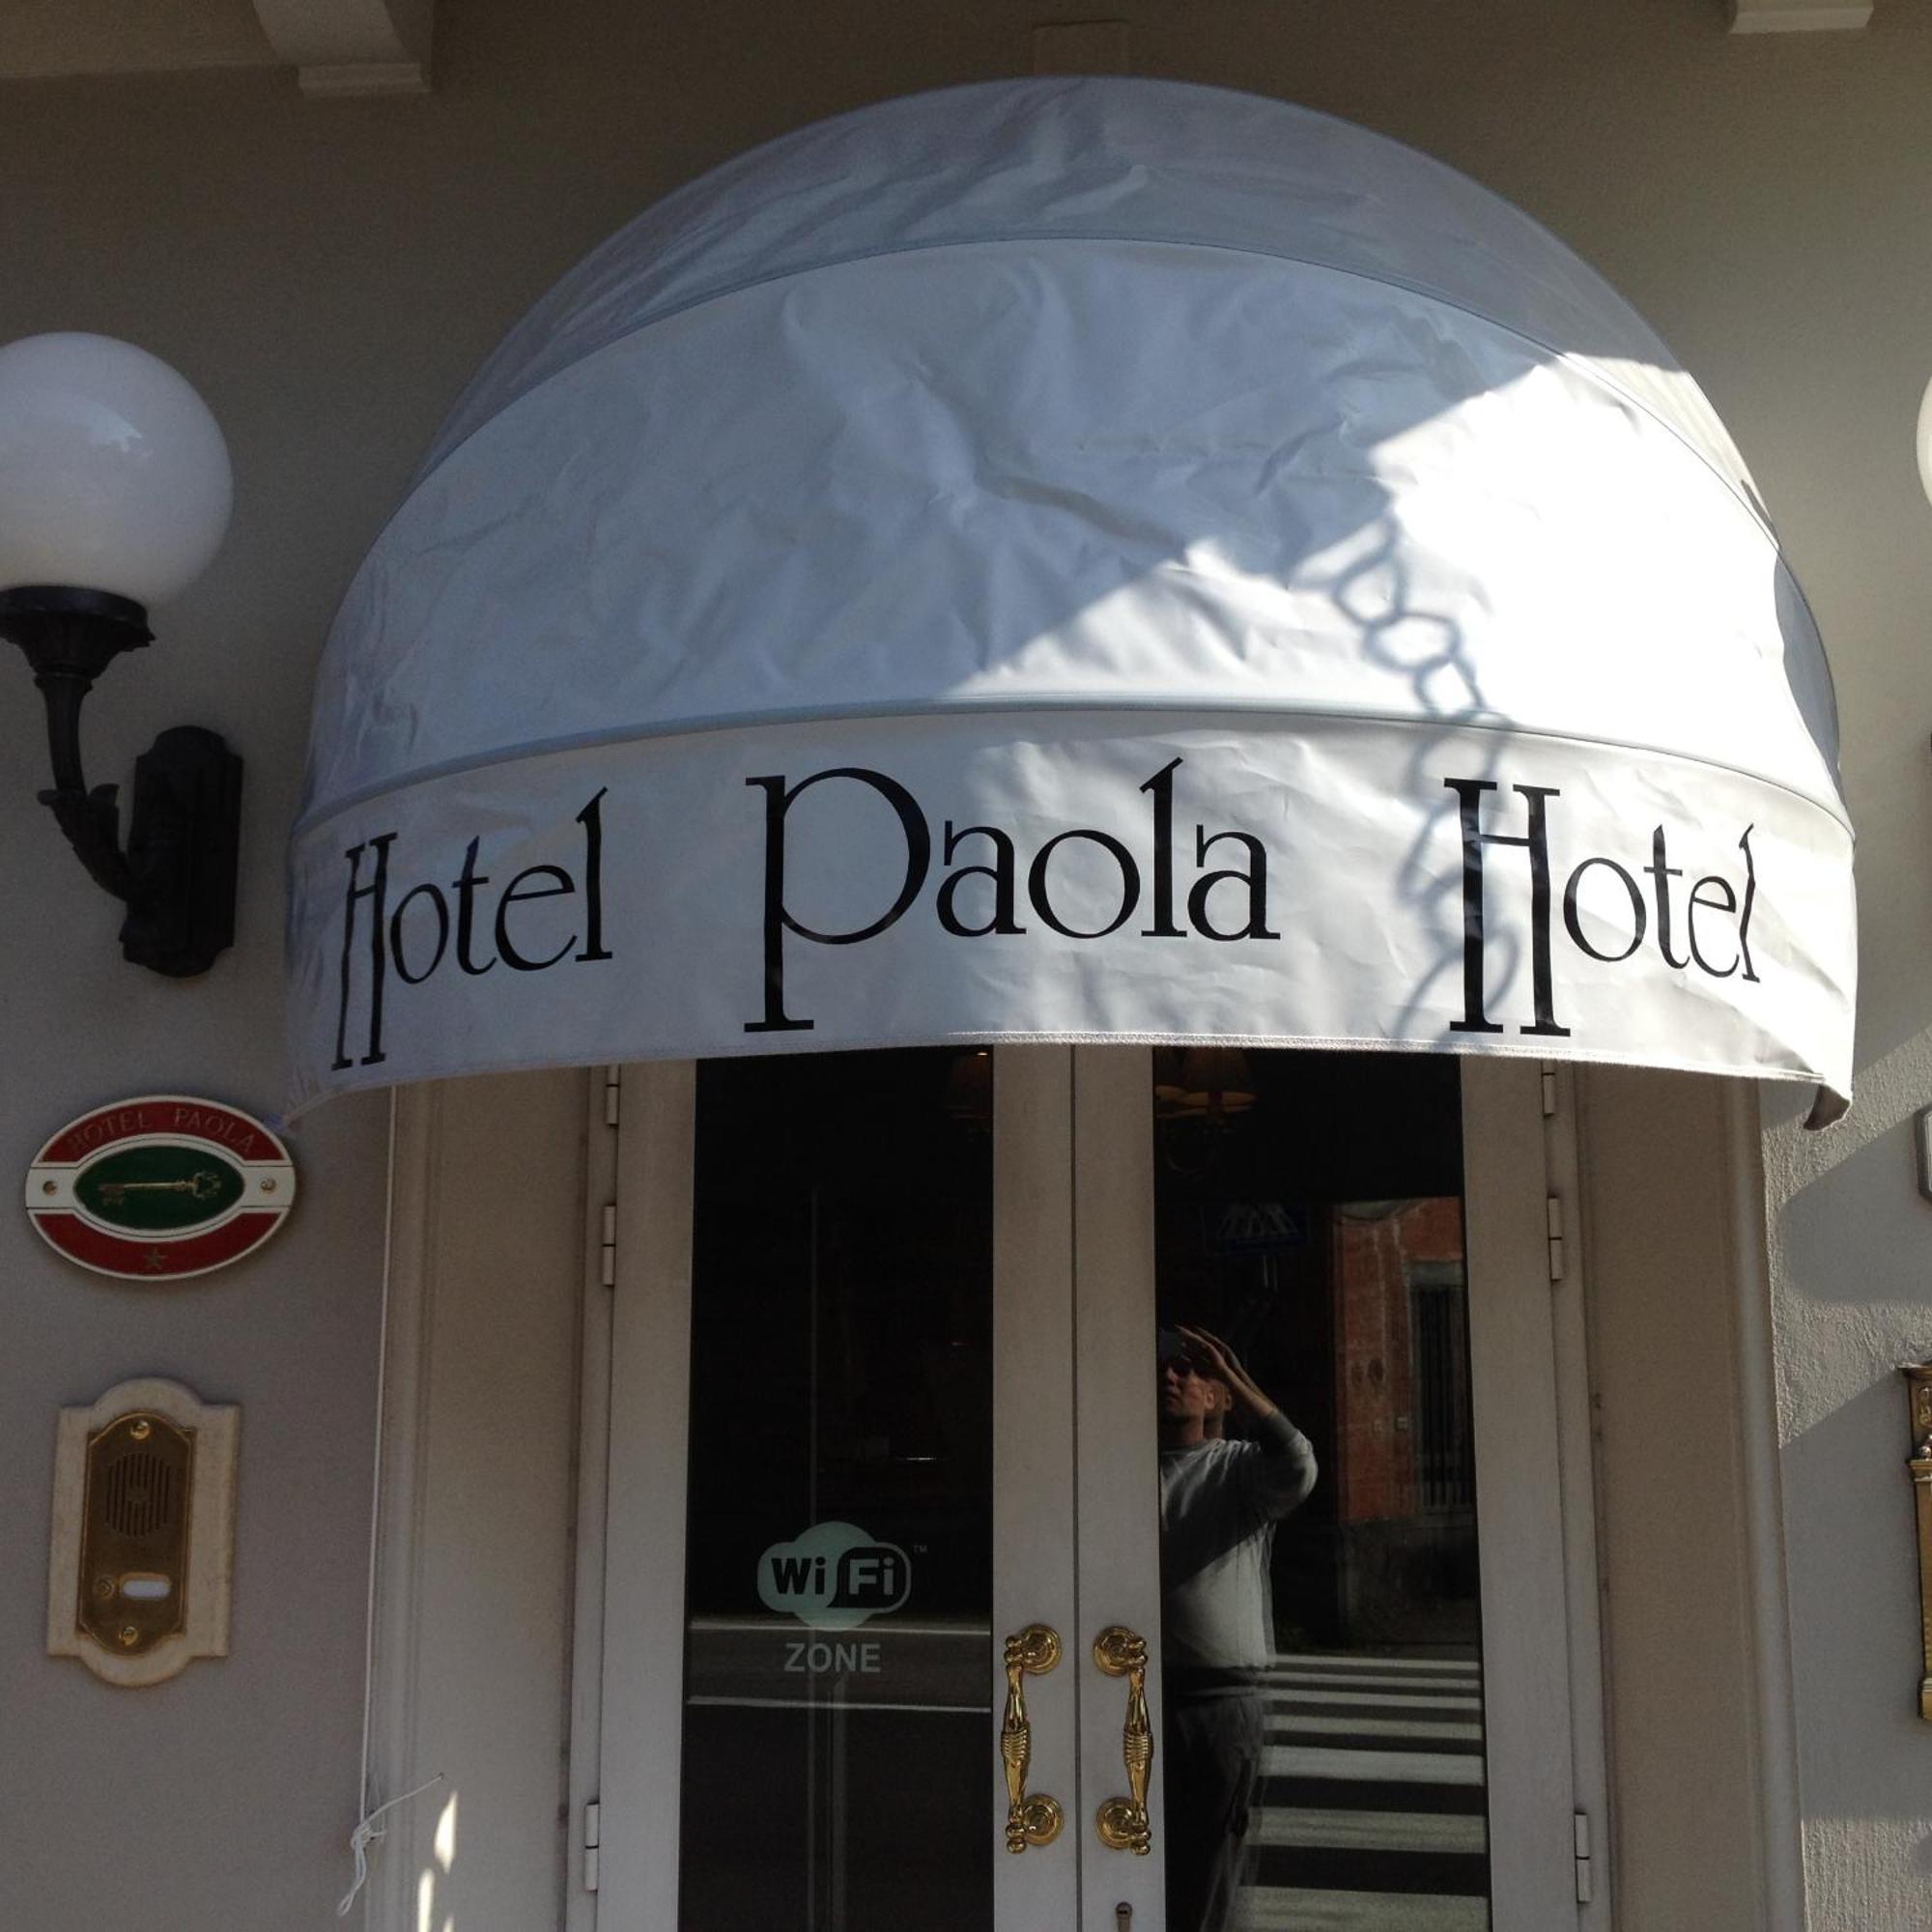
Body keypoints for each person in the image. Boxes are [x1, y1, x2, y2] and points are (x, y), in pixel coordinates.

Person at [1158, 1324, 1318, 1932]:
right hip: (1142, 1692)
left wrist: (1232, 1373)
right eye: (1166, 1368)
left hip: (1220, 1697)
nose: (1171, 1377)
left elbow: (1297, 1463)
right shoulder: (1121, 1472)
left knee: (1209, 1867)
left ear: (1220, 1396)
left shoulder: (1239, 1469)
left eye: (1189, 1370)